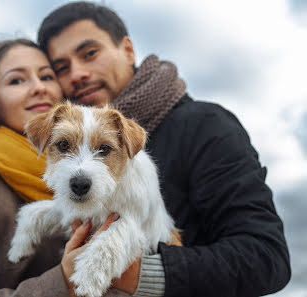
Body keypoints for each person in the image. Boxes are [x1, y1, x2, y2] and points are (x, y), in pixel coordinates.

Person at [36, 2, 291, 296]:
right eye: (61, 68)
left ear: (128, 50)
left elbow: (266, 257)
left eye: (89, 54)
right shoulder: (64, 152)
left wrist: (143, 275)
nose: (77, 74)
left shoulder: (205, 125)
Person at [0, 38, 127, 297]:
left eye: (47, 76)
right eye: (16, 80)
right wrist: (63, 281)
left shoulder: (96, 177)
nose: (39, 87)